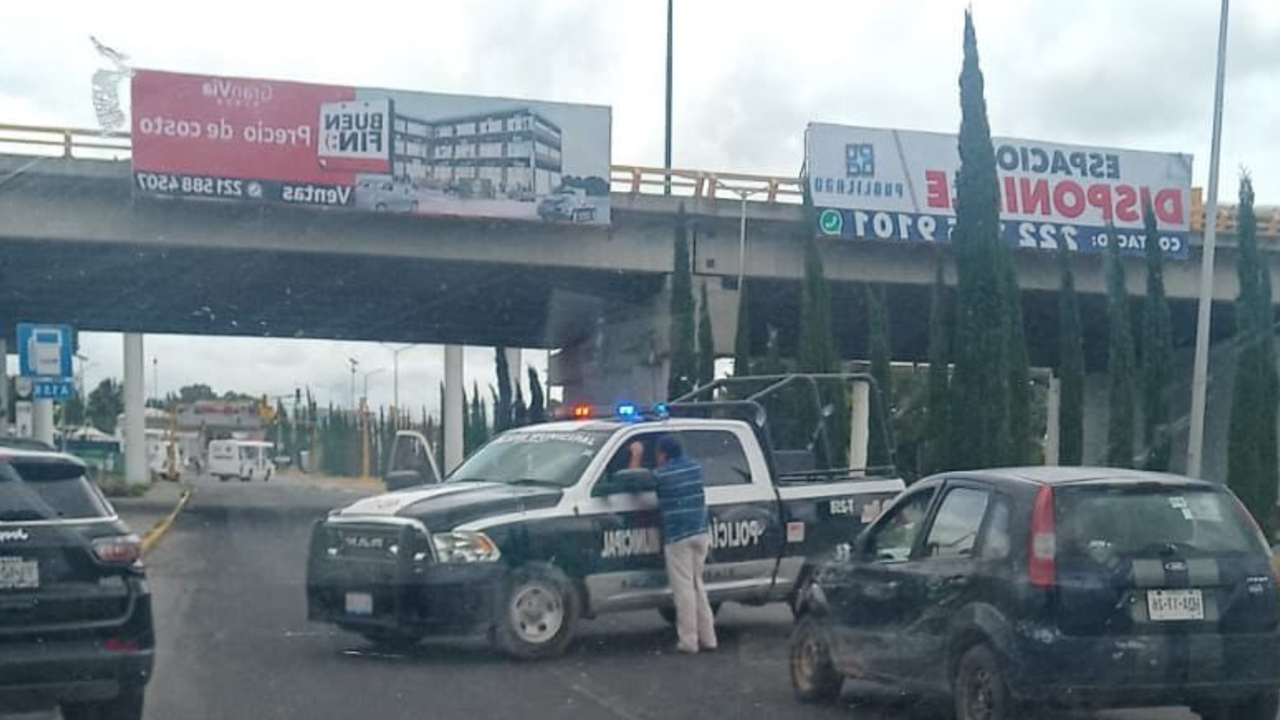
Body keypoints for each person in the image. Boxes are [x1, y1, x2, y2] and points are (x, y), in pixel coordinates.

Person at [630, 435, 717, 654]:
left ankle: (689, 641)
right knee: (697, 585)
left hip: (678, 536)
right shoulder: (695, 467)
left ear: (663, 454)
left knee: (684, 589)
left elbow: (634, 481)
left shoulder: (662, 474)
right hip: (700, 532)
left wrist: (636, 455)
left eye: (657, 454)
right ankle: (709, 638)